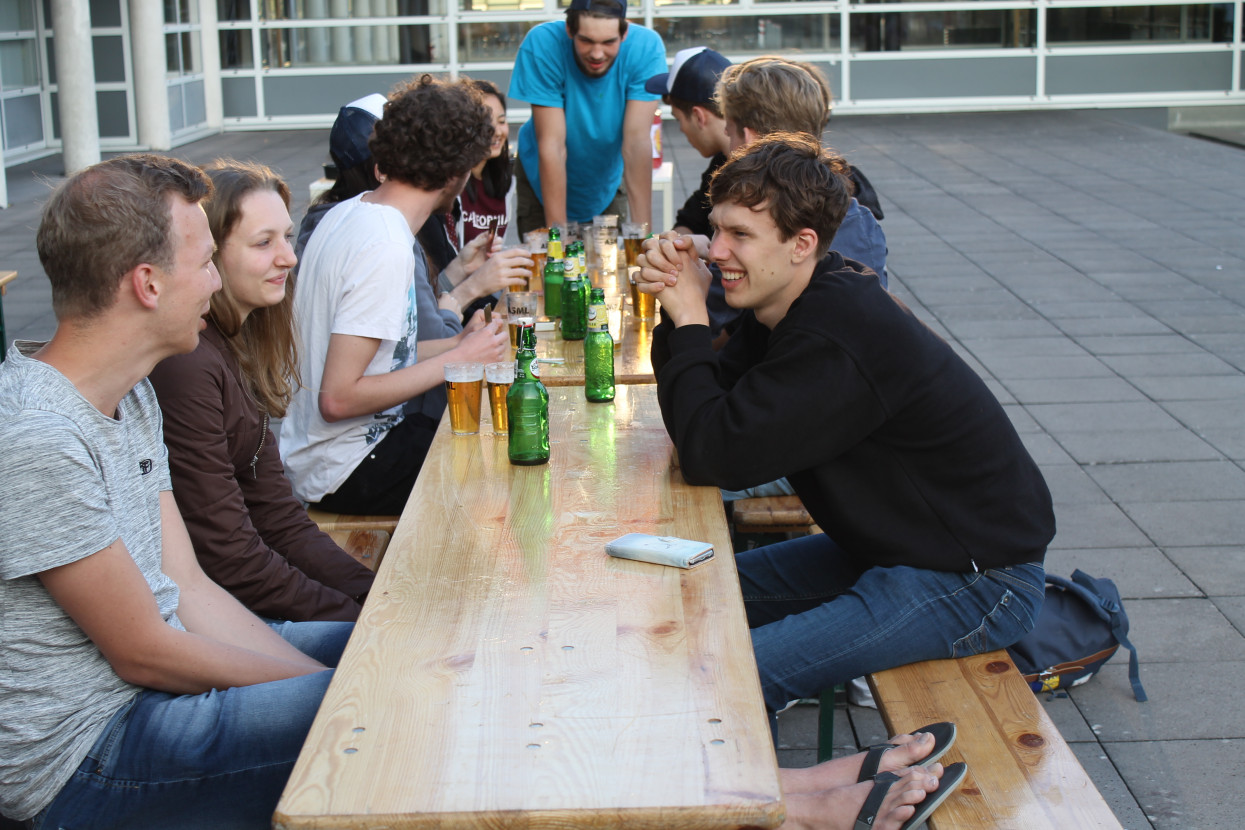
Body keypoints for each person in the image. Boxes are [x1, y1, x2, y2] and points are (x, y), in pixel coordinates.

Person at [638, 133, 1054, 714]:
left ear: (801, 243)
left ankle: (781, 801)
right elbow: (704, 420)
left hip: (978, 582)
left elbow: (712, 453)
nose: (715, 251)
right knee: (684, 594)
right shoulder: (791, 302)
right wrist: (678, 316)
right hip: (889, 550)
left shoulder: (837, 328)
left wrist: (687, 318)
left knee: (724, 677)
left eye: (740, 235)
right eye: (718, 229)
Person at [0, 153, 352, 828]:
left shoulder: (131, 394)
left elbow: (186, 587)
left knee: (408, 654)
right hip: (90, 751)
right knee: (395, 700)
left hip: (154, 690)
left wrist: (340, 678)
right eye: (205, 264)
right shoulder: (37, 436)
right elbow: (144, 650)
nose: (217, 282)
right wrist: (343, 695)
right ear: (148, 284)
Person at [148, 160, 375, 623]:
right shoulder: (186, 366)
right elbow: (231, 558)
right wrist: (360, 619)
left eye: (287, 237)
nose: (289, 258)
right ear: (210, 255)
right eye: (263, 243)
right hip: (213, 617)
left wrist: (374, 596)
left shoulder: (231, 343)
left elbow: (279, 516)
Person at [283, 76, 511, 516]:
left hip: (337, 454)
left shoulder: (351, 213)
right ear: (456, 172)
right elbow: (338, 399)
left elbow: (376, 353)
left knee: (487, 437)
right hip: (346, 469)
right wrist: (458, 361)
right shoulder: (385, 246)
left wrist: (459, 344)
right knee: (510, 470)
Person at [508, 0, 666, 235]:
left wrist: (645, 241)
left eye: (608, 42)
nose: (597, 53)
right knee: (551, 268)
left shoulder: (645, 48)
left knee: (616, 264)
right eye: (586, 41)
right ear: (569, 30)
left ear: (625, 32)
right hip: (541, 182)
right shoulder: (543, 44)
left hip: (605, 181)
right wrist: (557, 243)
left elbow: (635, 144)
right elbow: (552, 146)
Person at [645, 46, 733, 241]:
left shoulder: (759, 172)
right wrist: (676, 243)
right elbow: (691, 220)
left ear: (698, 116)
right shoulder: (721, 161)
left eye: (678, 119)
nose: (681, 130)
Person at [459, 79, 515, 248]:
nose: (497, 132)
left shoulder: (506, 182)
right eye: (486, 123)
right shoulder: (452, 185)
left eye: (501, 121)